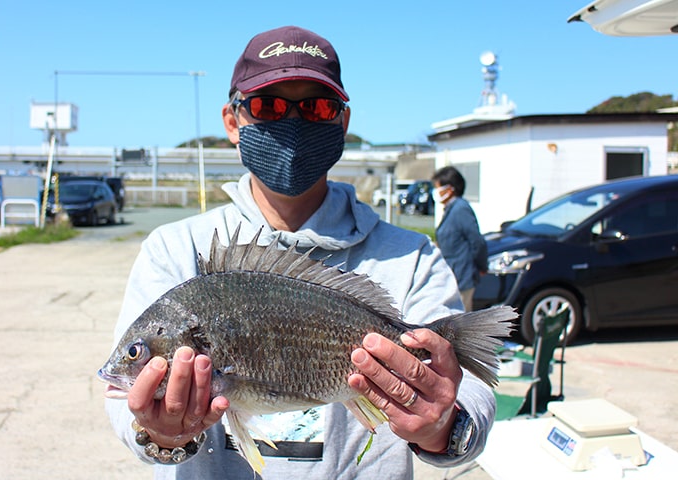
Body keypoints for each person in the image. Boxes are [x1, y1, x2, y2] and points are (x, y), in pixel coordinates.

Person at [106, 26, 496, 480]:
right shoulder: (176, 250)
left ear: (342, 123)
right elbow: (122, 408)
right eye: (268, 106)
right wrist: (160, 435)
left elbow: (472, 397)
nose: (292, 123)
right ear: (232, 122)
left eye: (317, 107)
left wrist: (442, 427)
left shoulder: (411, 257)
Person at [432, 166, 488, 312]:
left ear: (450, 189)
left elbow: (476, 240)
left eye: (438, 188)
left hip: (462, 276)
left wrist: (482, 265)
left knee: (461, 321)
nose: (436, 192)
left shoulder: (461, 209)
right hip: (452, 275)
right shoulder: (450, 209)